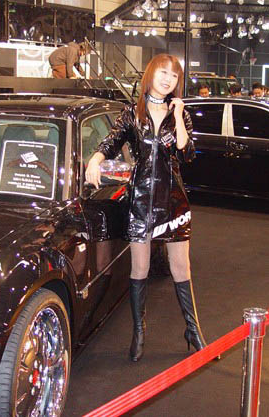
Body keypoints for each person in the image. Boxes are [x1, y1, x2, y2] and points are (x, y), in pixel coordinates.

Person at [85, 53, 209, 362]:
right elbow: (111, 142)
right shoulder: (132, 113)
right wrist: (95, 160)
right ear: (151, 74)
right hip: (140, 200)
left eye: (174, 75)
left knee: (181, 267)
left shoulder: (180, 114)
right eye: (163, 72)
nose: (168, 79)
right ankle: (139, 331)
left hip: (173, 201)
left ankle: (193, 330)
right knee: (139, 268)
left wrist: (178, 115)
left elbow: (186, 152)